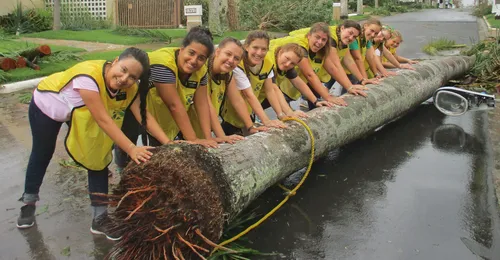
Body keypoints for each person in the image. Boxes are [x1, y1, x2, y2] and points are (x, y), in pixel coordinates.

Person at [17, 47, 171, 241]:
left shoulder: (129, 89)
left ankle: (100, 219)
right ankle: (28, 203)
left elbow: (144, 115)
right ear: (115, 61)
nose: (124, 79)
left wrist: (169, 143)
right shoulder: (88, 77)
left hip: (80, 110)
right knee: (43, 153)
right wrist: (131, 148)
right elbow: (103, 119)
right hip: (49, 106)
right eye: (123, 70)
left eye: (132, 77)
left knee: (98, 155)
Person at [115, 26, 218, 171]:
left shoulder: (201, 70)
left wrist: (208, 138)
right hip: (130, 99)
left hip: (155, 108)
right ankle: (122, 168)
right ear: (181, 49)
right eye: (191, 53)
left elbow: (202, 104)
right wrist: (193, 140)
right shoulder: (162, 64)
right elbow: (174, 105)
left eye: (201, 58)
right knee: (128, 136)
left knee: (159, 148)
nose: (194, 60)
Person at [189, 37, 262, 140]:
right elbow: (207, 106)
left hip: (204, 130)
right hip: (188, 131)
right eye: (228, 54)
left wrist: (250, 127)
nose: (231, 60)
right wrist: (222, 137)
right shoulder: (202, 70)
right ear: (217, 52)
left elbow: (237, 101)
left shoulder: (227, 74)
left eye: (236, 58)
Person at [220, 31, 289, 136]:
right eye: (255, 48)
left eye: (263, 49)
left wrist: (281, 114)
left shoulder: (267, 63)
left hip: (250, 110)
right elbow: (248, 95)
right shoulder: (238, 64)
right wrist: (266, 121)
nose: (259, 52)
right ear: (247, 47)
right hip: (231, 114)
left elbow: (270, 90)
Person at [345, 18, 384, 83]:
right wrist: (365, 79)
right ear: (365, 26)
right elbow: (357, 58)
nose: (373, 35)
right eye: (371, 30)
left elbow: (371, 56)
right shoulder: (355, 38)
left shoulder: (367, 39)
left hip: (350, 70)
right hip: (347, 69)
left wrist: (376, 74)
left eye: (376, 33)